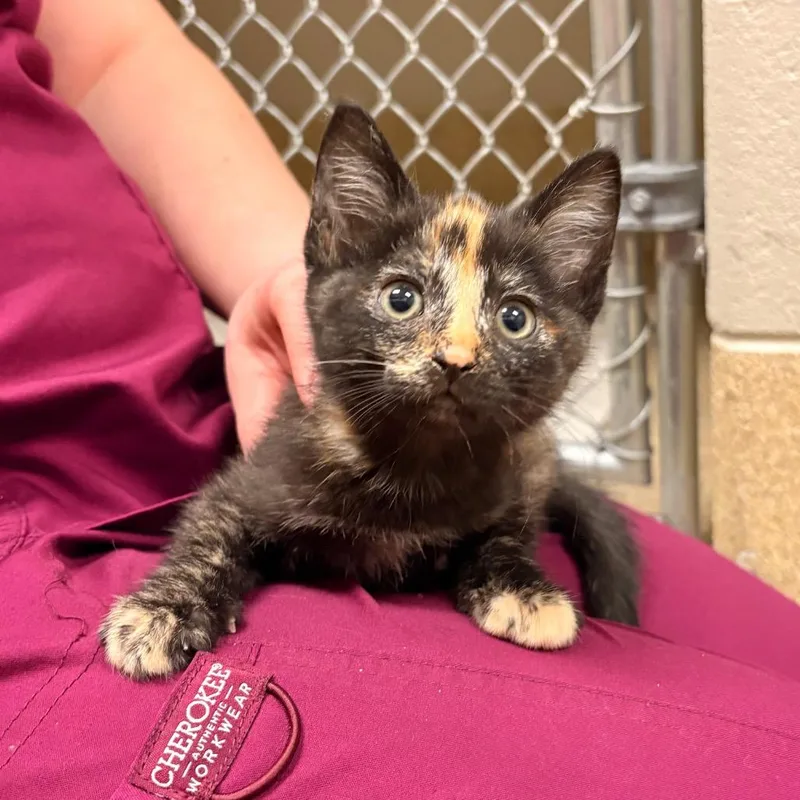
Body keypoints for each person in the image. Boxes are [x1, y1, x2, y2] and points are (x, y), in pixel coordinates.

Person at [0, 1, 798, 798]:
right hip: (43, 525)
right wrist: (187, 591)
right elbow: (234, 515)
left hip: (212, 421)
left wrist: (500, 556)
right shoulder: (314, 456)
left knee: (774, 649)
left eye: (512, 318)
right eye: (404, 299)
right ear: (336, 248)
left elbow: (113, 52)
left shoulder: (499, 466)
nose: (457, 350)